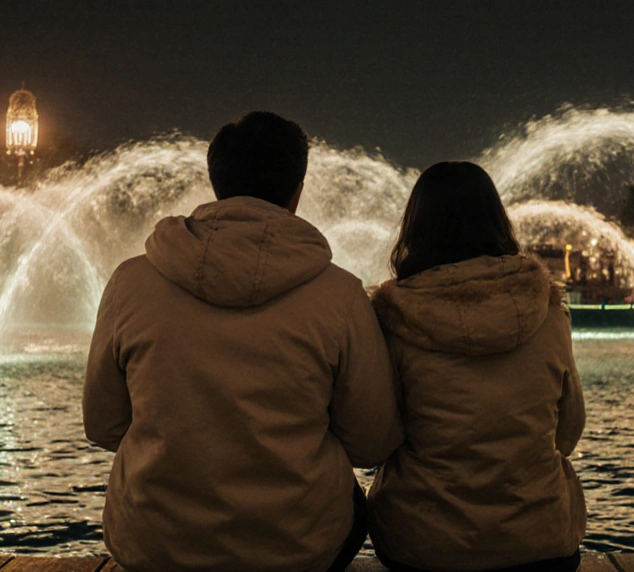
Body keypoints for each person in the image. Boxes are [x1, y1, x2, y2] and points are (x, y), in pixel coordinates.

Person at [84, 111, 403, 572]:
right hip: (298, 548)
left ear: (216, 181)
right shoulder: (340, 295)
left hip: (154, 546)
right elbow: (373, 441)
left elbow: (103, 424)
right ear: (297, 190)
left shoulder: (130, 282)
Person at [367, 161, 587, 572]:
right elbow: (568, 433)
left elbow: (374, 440)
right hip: (541, 545)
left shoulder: (391, 320)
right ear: (497, 221)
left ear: (414, 228)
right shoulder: (549, 311)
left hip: (423, 548)